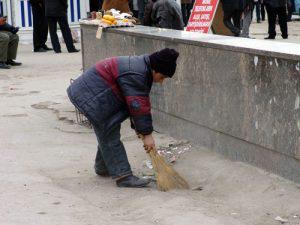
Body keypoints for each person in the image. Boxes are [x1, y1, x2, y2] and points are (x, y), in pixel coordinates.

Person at [67, 48, 179, 188]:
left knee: (108, 132)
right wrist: (147, 135)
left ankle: (103, 167)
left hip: (96, 94)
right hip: (91, 97)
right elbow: (138, 106)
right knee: (109, 131)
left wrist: (140, 129)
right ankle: (123, 176)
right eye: (162, 77)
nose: (161, 81)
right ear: (155, 70)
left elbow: (134, 103)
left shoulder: (142, 68)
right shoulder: (137, 74)